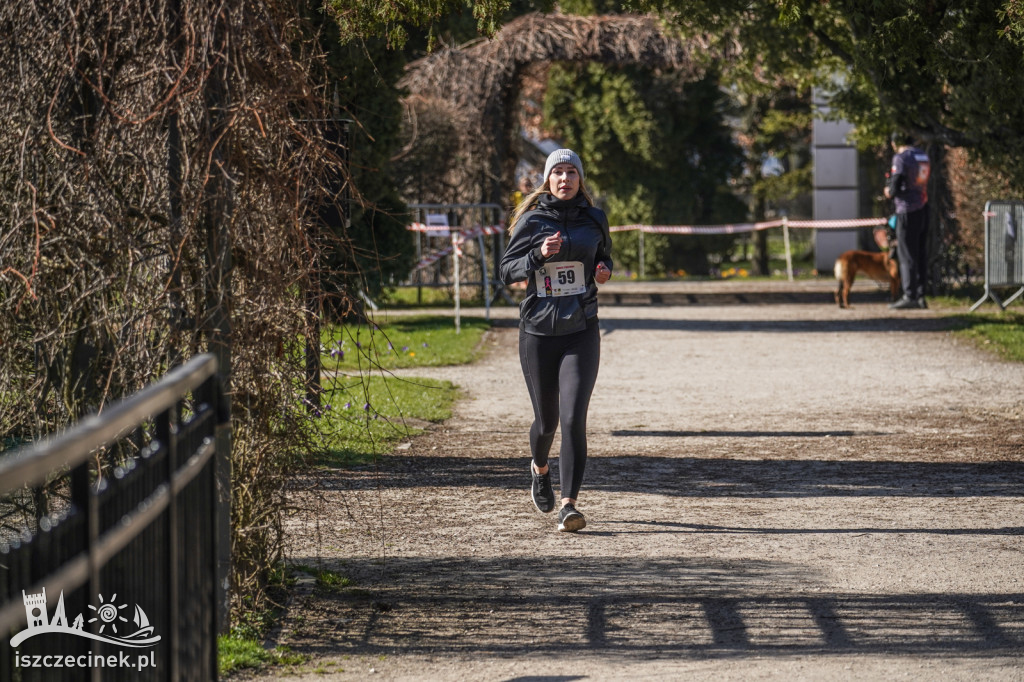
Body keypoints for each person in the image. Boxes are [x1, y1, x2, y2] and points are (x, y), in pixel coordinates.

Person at [499, 149, 612, 532]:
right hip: (538, 332)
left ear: (580, 178)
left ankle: (569, 505)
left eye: (571, 172)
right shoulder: (532, 220)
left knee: (573, 418)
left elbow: (605, 257)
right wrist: (536, 253)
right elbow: (506, 270)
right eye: (558, 172)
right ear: (548, 180)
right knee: (547, 423)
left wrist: (603, 269)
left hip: (582, 329)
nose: (565, 179)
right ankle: (540, 468)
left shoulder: (595, 219)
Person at [884, 132, 931, 309]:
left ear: (896, 143)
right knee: (920, 253)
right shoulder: (923, 156)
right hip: (923, 207)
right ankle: (920, 295)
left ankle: (909, 295)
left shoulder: (901, 158)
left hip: (907, 209)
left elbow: (895, 186)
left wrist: (888, 191)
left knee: (906, 254)